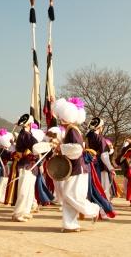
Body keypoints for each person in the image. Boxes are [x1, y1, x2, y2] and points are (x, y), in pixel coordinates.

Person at [53, 98, 104, 232]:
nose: (59, 119)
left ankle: (94, 209)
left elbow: (77, 149)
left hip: (78, 168)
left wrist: (61, 148)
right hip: (72, 167)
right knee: (68, 196)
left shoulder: (73, 130)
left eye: (60, 116)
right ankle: (70, 224)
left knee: (71, 195)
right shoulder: (69, 130)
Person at [6, 114, 38, 222]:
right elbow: (35, 146)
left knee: (29, 190)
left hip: (30, 165)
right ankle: (18, 213)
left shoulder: (27, 134)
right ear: (30, 124)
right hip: (25, 165)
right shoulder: (25, 134)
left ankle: (25, 211)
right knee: (24, 190)